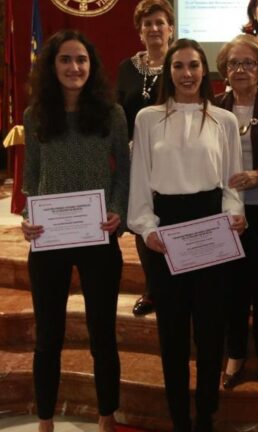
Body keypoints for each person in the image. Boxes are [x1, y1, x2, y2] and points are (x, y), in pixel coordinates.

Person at [127, 39, 246, 432]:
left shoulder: (224, 121)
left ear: (205, 70)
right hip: (166, 229)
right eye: (178, 66)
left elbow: (231, 183)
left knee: (211, 329)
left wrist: (234, 214)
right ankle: (179, 416)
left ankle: (206, 412)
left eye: (194, 65)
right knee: (172, 332)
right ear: (169, 72)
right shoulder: (147, 118)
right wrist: (146, 228)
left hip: (211, 225)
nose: (187, 74)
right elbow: (141, 180)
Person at [21, 30, 130, 432]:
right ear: (52, 66)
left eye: (81, 60)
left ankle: (107, 415)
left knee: (103, 332)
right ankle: (45, 419)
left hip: (99, 235)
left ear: (92, 65)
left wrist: (118, 210)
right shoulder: (36, 116)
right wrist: (27, 218)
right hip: (49, 239)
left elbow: (126, 170)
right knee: (48, 335)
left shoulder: (111, 114)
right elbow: (31, 176)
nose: (74, 67)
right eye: (66, 60)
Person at [213, 35, 258, 391]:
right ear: (224, 70)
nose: (240, 69)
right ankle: (235, 355)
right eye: (233, 63)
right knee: (231, 291)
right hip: (226, 215)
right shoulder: (214, 106)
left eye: (248, 63)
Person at [117, 0, 175, 317]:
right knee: (143, 224)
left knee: (171, 219)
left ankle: (176, 284)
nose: (154, 29)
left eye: (160, 22)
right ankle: (152, 289)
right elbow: (118, 110)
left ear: (171, 29)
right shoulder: (127, 68)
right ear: (140, 32)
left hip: (173, 160)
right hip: (135, 160)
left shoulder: (181, 64)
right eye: (147, 24)